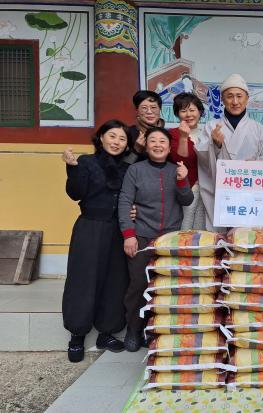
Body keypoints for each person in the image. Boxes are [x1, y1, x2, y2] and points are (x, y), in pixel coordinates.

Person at [118, 127, 194, 351]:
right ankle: (134, 329)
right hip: (141, 235)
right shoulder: (135, 170)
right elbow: (125, 201)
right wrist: (129, 235)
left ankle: (156, 330)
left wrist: (183, 180)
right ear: (146, 146)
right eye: (153, 141)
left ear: (169, 148)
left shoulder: (175, 170)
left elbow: (187, 200)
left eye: (162, 141)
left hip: (170, 238)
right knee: (139, 284)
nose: (158, 145)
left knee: (166, 286)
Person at [61, 120, 130, 362]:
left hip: (117, 230)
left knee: (115, 281)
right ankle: (77, 335)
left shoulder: (128, 168)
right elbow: (75, 193)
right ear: (101, 137)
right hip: (90, 227)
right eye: (112, 136)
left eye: (122, 139)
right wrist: (72, 168)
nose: (116, 142)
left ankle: (106, 333)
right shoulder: (86, 162)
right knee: (83, 279)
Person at [195, 73, 263, 231]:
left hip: (249, 193)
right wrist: (215, 144)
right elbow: (203, 159)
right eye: (229, 96)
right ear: (222, 99)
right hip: (219, 192)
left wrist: (256, 165)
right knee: (220, 237)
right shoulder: (211, 126)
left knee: (247, 236)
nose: (235, 102)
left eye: (239, 96)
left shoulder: (259, 129)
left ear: (247, 99)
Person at [169, 92, 206, 230]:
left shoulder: (208, 132)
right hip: (187, 187)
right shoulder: (173, 134)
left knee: (201, 226)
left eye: (192, 110)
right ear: (177, 114)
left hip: (207, 187)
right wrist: (184, 137)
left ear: (200, 111)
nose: (188, 114)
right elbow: (179, 160)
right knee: (185, 225)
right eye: (183, 111)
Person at [125, 90, 165, 164]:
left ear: (160, 109)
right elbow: (123, 166)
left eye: (153, 107)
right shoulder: (127, 133)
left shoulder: (167, 134)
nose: (149, 112)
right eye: (144, 108)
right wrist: (136, 149)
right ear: (137, 110)